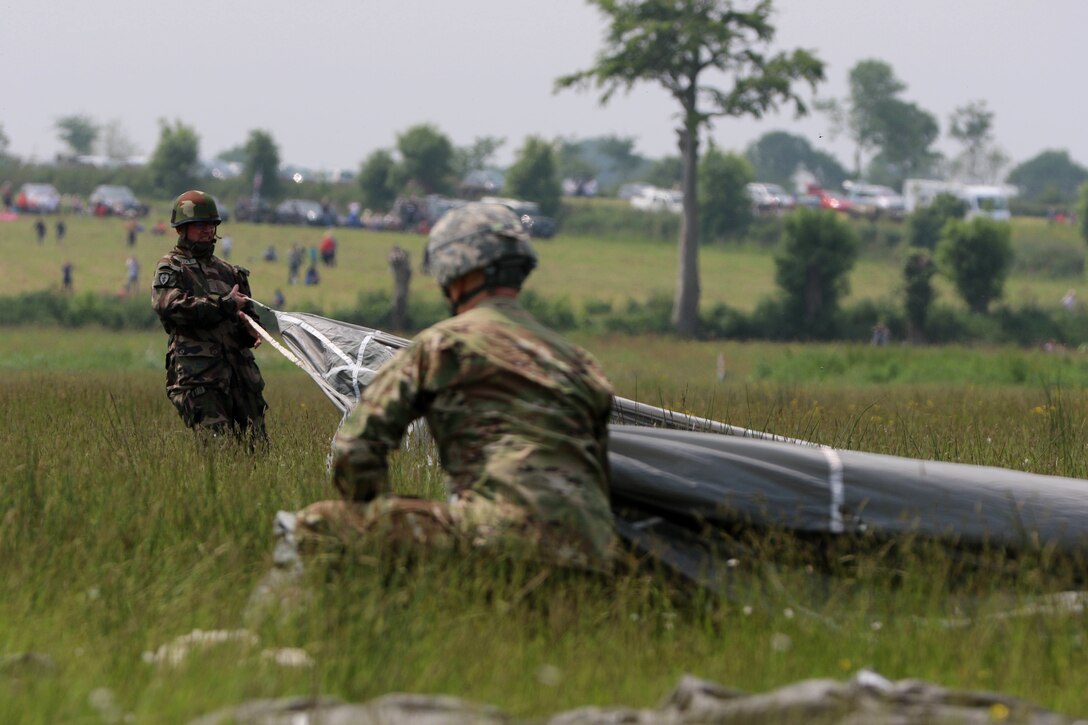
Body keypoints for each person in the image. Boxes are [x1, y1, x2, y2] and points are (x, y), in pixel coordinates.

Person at [291, 202, 616, 572]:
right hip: (593, 554)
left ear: (453, 271)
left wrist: (372, 512)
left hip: (498, 540)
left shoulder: (443, 346)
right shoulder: (580, 362)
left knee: (317, 524)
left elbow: (356, 447)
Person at [151, 190, 268, 445]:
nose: (207, 231)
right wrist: (224, 305)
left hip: (241, 376)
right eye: (200, 225)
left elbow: (248, 315)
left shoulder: (229, 272)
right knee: (219, 449)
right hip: (200, 377)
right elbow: (170, 306)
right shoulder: (172, 267)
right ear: (181, 229)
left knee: (257, 450)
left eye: (211, 225)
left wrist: (250, 328)